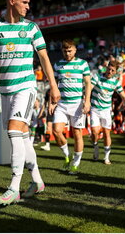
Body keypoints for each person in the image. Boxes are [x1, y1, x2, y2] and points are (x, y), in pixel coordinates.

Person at [0, 0, 60, 205]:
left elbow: (44, 58)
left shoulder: (32, 28)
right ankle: (37, 181)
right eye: (24, 2)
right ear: (12, 1)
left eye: (28, 2)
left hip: (26, 87)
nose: (28, 6)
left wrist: (53, 86)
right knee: (22, 136)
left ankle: (13, 187)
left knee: (14, 131)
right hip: (5, 89)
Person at [51, 39, 91, 175]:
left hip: (77, 104)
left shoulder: (82, 64)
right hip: (61, 104)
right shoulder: (57, 65)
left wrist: (87, 101)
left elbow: (88, 84)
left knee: (77, 133)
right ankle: (67, 155)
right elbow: (54, 85)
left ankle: (76, 163)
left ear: (75, 50)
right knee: (56, 131)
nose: (67, 53)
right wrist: (52, 101)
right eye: (65, 51)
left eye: (70, 51)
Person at [90, 61, 125, 164]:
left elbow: (123, 97)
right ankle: (96, 147)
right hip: (94, 109)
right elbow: (89, 88)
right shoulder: (97, 77)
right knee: (94, 132)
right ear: (106, 68)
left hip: (106, 111)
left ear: (115, 72)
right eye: (109, 69)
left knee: (107, 133)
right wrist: (85, 100)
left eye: (113, 70)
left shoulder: (116, 82)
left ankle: (106, 157)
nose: (110, 71)